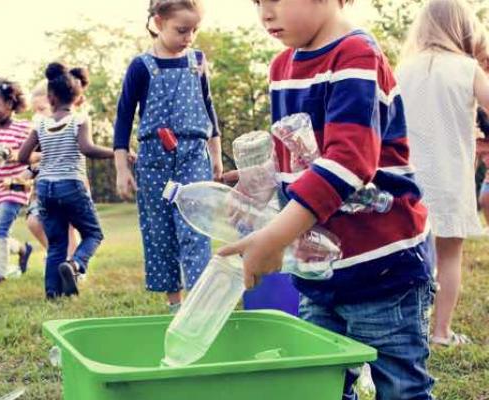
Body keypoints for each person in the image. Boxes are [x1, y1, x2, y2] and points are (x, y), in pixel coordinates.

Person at [221, 0, 436, 398]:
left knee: (401, 386)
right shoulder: (282, 67)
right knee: (320, 385)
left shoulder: (355, 56)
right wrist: (262, 179)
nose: (265, 13)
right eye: (256, 2)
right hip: (320, 273)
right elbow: (298, 148)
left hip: (382, 270)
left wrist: (273, 238)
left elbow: (347, 164)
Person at [113, 0, 224, 313]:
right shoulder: (140, 66)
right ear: (159, 22)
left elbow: (208, 106)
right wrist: (122, 167)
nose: (188, 37)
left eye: (194, 30)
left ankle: (200, 304)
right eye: (181, 30)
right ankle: (175, 304)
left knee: (195, 227)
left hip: (193, 154)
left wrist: (215, 154)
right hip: (154, 158)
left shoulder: (197, 61)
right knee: (160, 230)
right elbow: (123, 118)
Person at [397, 0, 489, 347]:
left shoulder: (403, 68)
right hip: (450, 178)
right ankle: (441, 332)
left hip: (407, 180)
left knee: (409, 255)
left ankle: (410, 328)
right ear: (464, 29)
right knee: (450, 257)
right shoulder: (467, 69)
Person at [19, 63, 121, 298]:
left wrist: (43, 153)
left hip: (45, 188)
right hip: (71, 185)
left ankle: (52, 293)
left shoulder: (40, 124)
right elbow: (87, 149)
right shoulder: (80, 120)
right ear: (77, 99)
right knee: (94, 234)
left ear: (50, 97)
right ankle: (75, 265)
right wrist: (117, 151)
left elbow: (23, 157)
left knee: (56, 244)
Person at [0, 78, 34, 284]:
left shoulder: (24, 129)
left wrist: (14, 155)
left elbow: (33, 156)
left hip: (16, 186)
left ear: (10, 104)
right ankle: (22, 249)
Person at [25, 81, 81, 259]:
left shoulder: (72, 126)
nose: (37, 115)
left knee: (68, 227)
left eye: (41, 109)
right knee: (34, 222)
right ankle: (58, 255)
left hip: (69, 186)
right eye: (35, 111)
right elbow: (30, 159)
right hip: (43, 189)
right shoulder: (39, 131)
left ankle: (73, 267)